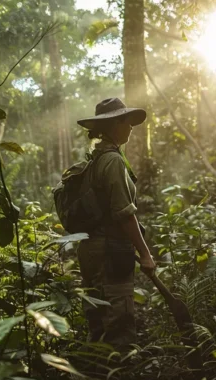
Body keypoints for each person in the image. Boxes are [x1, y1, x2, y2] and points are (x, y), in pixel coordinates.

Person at [75, 97, 156, 349]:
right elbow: (124, 213)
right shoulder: (112, 161)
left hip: (91, 249)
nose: (130, 126)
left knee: (97, 320)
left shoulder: (95, 159)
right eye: (125, 120)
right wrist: (145, 254)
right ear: (111, 125)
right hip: (110, 251)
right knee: (117, 324)